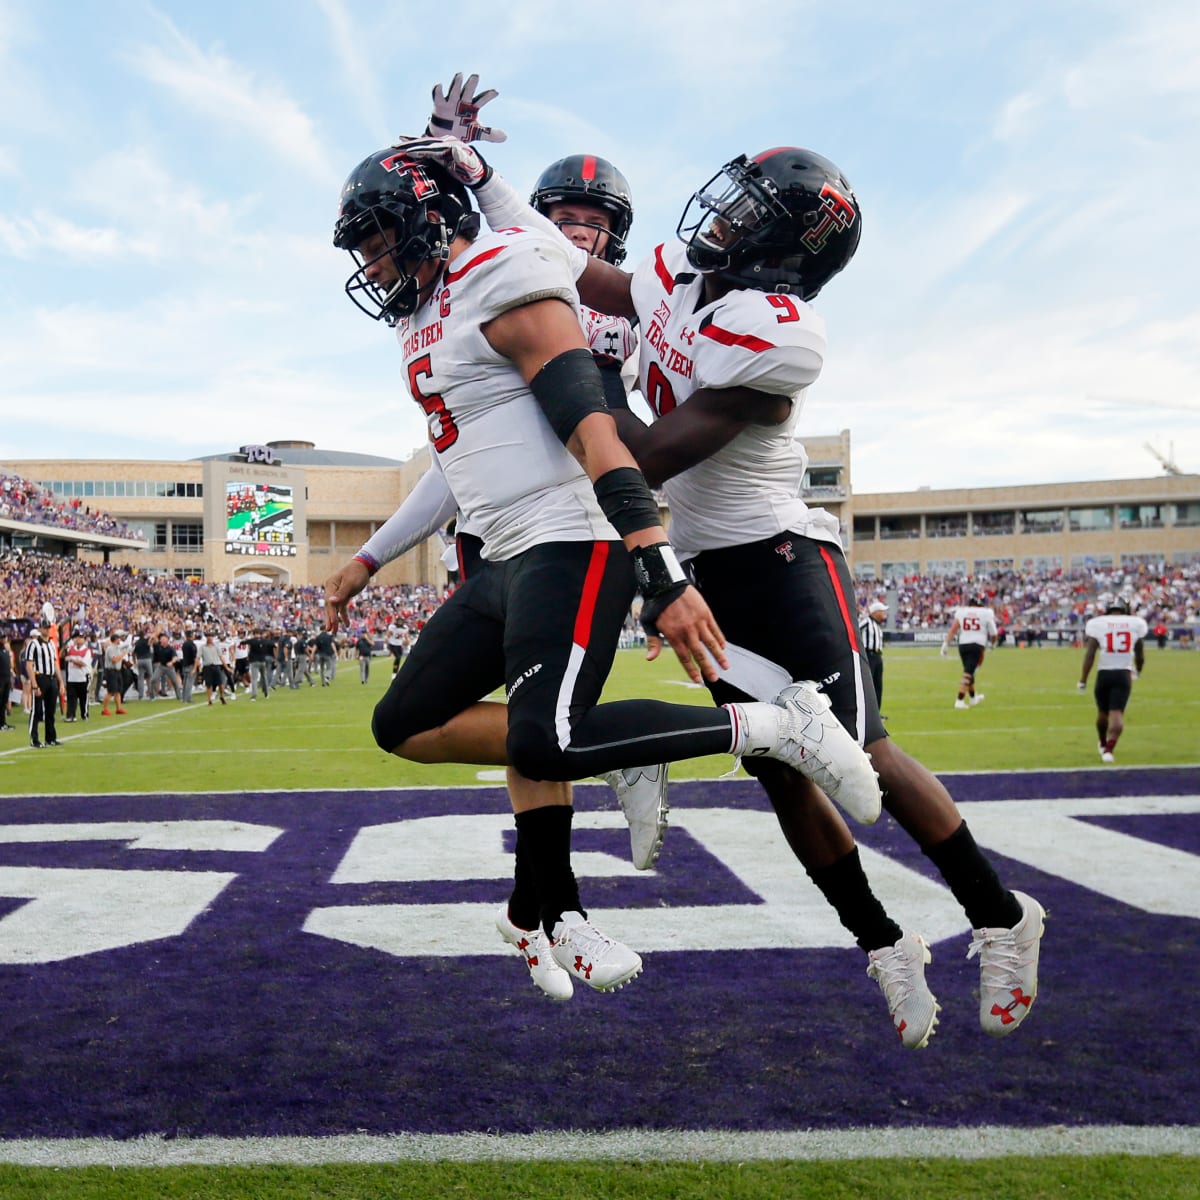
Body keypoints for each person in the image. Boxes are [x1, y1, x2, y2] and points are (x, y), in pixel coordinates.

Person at [413, 118, 1044, 1042]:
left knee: (862, 751)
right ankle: (882, 942)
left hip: (782, 559)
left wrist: (567, 373)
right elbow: (578, 274)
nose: (723, 215)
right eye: (732, 196)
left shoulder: (771, 337)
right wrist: (485, 180)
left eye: (750, 209)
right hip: (705, 570)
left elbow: (648, 457)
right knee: (782, 771)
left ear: (784, 243)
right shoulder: (683, 275)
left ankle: (999, 914)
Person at [327, 137, 880, 997]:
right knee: (405, 722)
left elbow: (594, 429)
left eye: (376, 239)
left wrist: (658, 566)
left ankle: (777, 729)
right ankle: (577, 849)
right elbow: (456, 453)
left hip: (575, 535)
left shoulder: (509, 278)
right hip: (505, 547)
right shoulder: (425, 309)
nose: (369, 262)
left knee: (543, 738)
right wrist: (367, 560)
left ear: (427, 227)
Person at [1079, 597, 1147, 763]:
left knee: (1102, 713)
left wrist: (1083, 680)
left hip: (1104, 673)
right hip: (1123, 673)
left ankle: (1103, 743)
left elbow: (1090, 655)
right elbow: (1140, 655)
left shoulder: (1098, 624)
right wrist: (1138, 670)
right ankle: (1109, 749)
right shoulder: (1135, 624)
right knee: (1116, 714)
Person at [942, 594, 998, 708]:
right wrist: (993, 644)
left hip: (963, 645)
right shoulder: (986, 613)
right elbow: (994, 633)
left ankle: (973, 698)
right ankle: (959, 700)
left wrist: (945, 644)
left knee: (970, 671)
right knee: (968, 674)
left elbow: (953, 630)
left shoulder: (962, 612)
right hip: (977, 645)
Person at [24, 618, 64, 747]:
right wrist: (35, 685)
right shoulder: (34, 644)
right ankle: (34, 739)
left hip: (51, 678)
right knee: (37, 710)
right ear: (40, 629)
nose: (47, 629)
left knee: (51, 710)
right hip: (40, 677)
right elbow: (29, 665)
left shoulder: (52, 644)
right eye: (45, 627)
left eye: (48, 627)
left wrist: (61, 681)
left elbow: (55, 663)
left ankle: (50, 738)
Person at [858, 599, 887, 711]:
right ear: (875, 612)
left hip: (878, 655)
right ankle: (868, 713)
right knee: (869, 686)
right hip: (869, 655)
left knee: (878, 686)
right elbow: (854, 631)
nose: (884, 614)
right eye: (882, 611)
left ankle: (877, 714)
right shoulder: (866, 622)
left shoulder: (877, 625)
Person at [64, 628, 93, 721]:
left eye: (80, 638)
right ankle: (71, 715)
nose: (78, 639)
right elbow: (61, 656)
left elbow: (83, 664)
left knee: (83, 698)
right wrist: (64, 646)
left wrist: (72, 660)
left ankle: (84, 714)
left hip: (83, 677)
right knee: (71, 698)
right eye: (77, 637)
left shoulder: (87, 651)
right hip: (72, 677)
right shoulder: (71, 649)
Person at [99, 631, 129, 716]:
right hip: (111, 671)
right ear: (116, 639)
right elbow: (114, 659)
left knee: (118, 691)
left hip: (117, 671)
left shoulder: (116, 648)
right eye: (119, 639)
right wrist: (122, 655)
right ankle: (104, 709)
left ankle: (118, 708)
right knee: (111, 691)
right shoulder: (111, 648)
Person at [199, 630, 229, 706]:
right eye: (208, 636)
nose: (210, 638)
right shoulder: (202, 647)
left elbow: (221, 657)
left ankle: (222, 696)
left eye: (211, 636)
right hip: (207, 666)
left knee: (221, 684)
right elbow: (198, 657)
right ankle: (209, 700)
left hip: (216, 665)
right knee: (208, 684)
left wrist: (226, 667)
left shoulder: (216, 646)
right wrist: (199, 666)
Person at [151, 632, 182, 701]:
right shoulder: (158, 647)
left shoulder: (170, 649)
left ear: (167, 641)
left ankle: (179, 697)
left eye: (163, 640)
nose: (162, 642)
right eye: (161, 640)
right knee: (153, 679)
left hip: (169, 667)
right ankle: (152, 696)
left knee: (174, 682)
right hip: (161, 666)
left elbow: (175, 657)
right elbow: (153, 640)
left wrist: (171, 662)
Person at [179, 629, 199, 703]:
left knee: (185, 682)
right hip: (191, 665)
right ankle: (187, 698)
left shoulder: (184, 644)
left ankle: (184, 698)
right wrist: (195, 668)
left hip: (185, 664)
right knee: (189, 683)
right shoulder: (192, 645)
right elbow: (195, 657)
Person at [0, 634, 13, 731]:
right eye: (2, 638)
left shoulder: (6, 651)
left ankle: (3, 722)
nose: (4, 639)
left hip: (6, 678)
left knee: (4, 702)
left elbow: (8, 665)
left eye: (4, 637)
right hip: (1, 679)